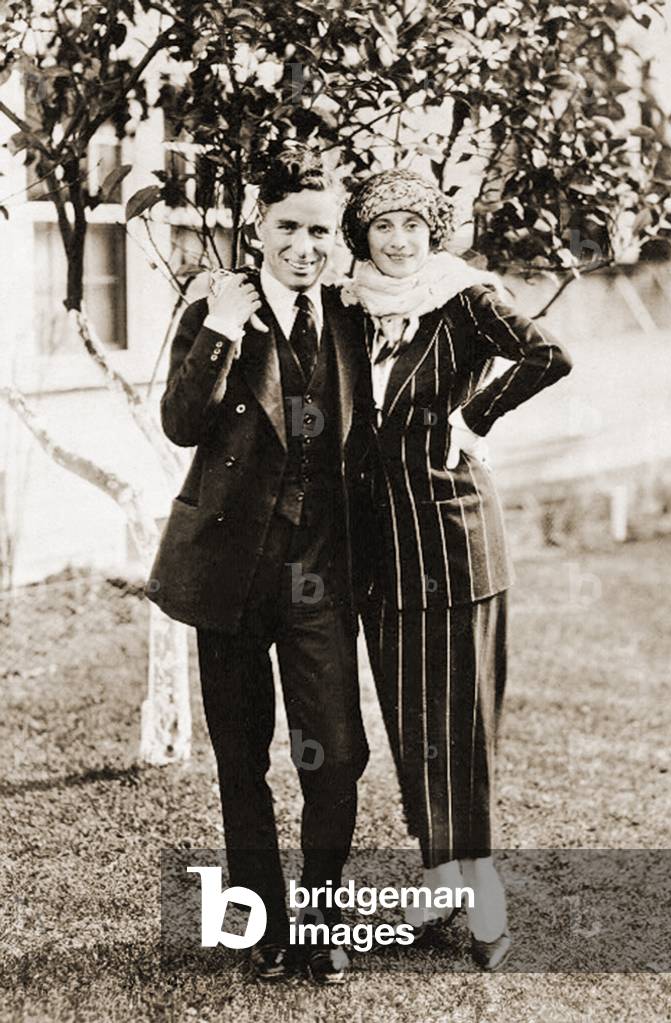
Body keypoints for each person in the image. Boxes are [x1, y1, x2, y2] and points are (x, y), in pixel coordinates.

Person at [146, 147, 374, 984]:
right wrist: (220, 328)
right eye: (288, 227)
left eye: (320, 231)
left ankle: (322, 920)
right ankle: (268, 924)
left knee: (335, 754)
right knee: (242, 758)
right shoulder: (216, 307)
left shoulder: (351, 315)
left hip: (320, 576)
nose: (304, 247)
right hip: (229, 575)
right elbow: (181, 423)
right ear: (258, 226)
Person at [341, 169, 573, 970]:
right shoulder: (350, 305)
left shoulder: (463, 296)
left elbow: (547, 354)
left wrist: (476, 415)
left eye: (412, 223)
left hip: (452, 540)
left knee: (462, 724)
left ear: (432, 230)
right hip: (381, 553)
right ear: (361, 235)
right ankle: (438, 878)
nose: (398, 239)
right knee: (410, 718)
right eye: (382, 225)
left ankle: (484, 886)